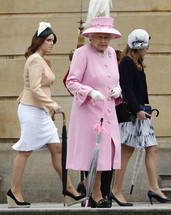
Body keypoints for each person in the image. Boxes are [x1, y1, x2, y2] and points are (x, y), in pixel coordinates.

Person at [8, 22, 84, 208]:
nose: (52, 44)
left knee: (57, 148)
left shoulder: (41, 60)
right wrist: (53, 105)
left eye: (53, 41)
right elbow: (34, 88)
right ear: (40, 41)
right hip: (31, 109)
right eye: (49, 40)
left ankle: (70, 189)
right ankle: (14, 192)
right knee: (25, 150)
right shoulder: (35, 59)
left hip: (40, 111)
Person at [110, 29, 171, 206]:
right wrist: (137, 109)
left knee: (150, 148)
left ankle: (153, 188)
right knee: (128, 151)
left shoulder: (134, 61)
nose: (148, 48)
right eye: (146, 44)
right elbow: (127, 89)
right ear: (139, 46)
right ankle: (116, 190)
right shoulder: (128, 63)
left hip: (140, 113)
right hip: (133, 115)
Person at [65, 15, 122, 208]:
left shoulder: (112, 53)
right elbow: (71, 82)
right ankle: (95, 194)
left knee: (106, 154)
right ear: (91, 37)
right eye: (99, 37)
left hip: (108, 110)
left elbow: (114, 78)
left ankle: (88, 187)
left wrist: (118, 89)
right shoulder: (82, 53)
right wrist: (89, 92)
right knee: (95, 153)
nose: (103, 41)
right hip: (88, 112)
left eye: (107, 37)